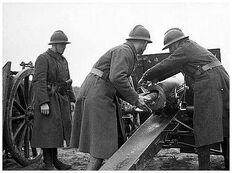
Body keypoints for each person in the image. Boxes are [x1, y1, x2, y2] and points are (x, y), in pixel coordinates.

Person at [138, 28, 229, 170]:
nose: (170, 51)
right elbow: (172, 70)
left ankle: (204, 168)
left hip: (208, 82)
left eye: (169, 48)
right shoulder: (190, 49)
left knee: (203, 125)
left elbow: (167, 64)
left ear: (176, 43)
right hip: (220, 79)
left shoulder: (185, 47)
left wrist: (146, 75)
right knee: (225, 123)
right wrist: (156, 79)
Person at [70, 25, 152, 170]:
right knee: (100, 147)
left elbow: (116, 81)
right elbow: (117, 78)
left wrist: (135, 98)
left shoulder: (125, 51)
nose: (146, 47)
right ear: (144, 42)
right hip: (98, 94)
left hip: (98, 91)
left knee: (106, 142)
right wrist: (135, 98)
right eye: (147, 44)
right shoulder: (125, 51)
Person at [31, 30, 76, 170]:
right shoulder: (43, 58)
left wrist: (72, 99)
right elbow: (38, 81)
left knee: (56, 132)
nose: (64, 47)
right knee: (47, 131)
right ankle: (48, 163)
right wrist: (43, 102)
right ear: (54, 44)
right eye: (62, 44)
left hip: (61, 100)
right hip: (48, 99)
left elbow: (67, 81)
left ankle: (55, 161)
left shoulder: (63, 60)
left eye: (65, 45)